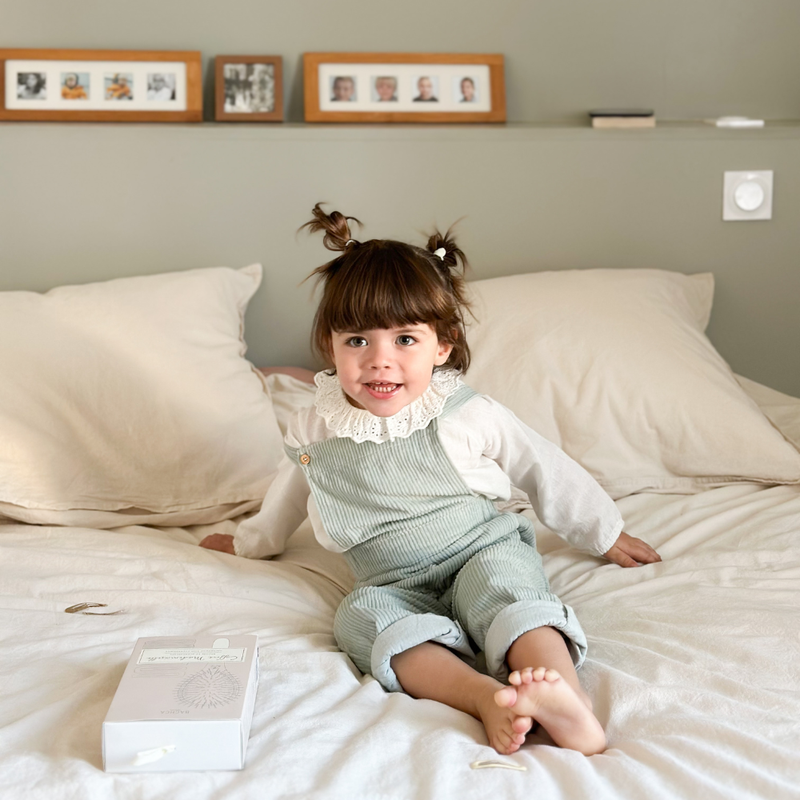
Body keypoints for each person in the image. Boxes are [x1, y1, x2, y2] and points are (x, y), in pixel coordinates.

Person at [200, 204, 661, 756]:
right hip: (390, 581)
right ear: (330, 345)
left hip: (475, 550)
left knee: (511, 597)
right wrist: (253, 542)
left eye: (404, 340)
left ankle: (568, 700)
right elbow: (293, 492)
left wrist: (603, 533)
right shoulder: (314, 425)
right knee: (361, 621)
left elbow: (540, 465)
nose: (379, 361)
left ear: (442, 346)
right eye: (357, 341)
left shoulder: (464, 413)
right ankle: (486, 697)